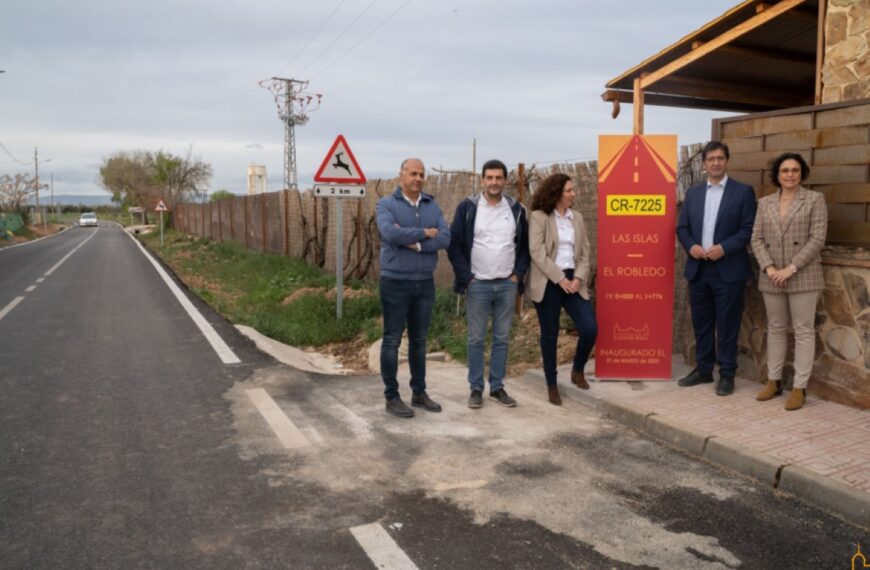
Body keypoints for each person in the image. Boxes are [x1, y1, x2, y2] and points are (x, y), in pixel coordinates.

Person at [448, 159, 530, 409]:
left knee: (502, 338)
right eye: (490, 178)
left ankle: (497, 387)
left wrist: (517, 275)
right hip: (478, 284)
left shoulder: (516, 209)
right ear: (483, 180)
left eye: (498, 178)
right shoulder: (468, 208)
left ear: (505, 180)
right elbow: (454, 245)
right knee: (475, 339)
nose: (494, 182)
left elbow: (525, 246)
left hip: (507, 284)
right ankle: (476, 388)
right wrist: (467, 277)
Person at [676, 141, 757, 396]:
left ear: (727, 161)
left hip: (728, 269)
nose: (715, 163)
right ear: (704, 164)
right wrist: (691, 246)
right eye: (711, 159)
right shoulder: (693, 193)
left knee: (728, 325)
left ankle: (727, 374)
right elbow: (682, 228)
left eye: (720, 158)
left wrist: (724, 247)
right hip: (699, 269)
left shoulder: (743, 192)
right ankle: (703, 370)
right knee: (701, 323)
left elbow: (748, 229)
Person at [751, 153, 827, 411]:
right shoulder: (765, 203)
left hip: (803, 274)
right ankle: (773, 381)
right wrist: (770, 267)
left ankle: (799, 387)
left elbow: (817, 239)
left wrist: (790, 268)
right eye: (785, 170)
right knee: (775, 328)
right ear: (778, 174)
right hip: (772, 275)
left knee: (803, 330)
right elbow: (756, 239)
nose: (790, 174)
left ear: (802, 173)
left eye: (795, 170)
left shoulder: (815, 199)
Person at [376, 158, 450, 418]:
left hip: (424, 283)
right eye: (413, 173)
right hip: (395, 282)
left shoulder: (431, 205)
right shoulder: (387, 204)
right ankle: (392, 397)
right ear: (402, 175)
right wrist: (425, 233)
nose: (418, 178)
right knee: (392, 340)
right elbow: (390, 233)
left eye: (421, 174)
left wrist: (415, 243)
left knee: (419, 341)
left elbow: (445, 237)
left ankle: (419, 393)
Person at [526, 173, 597, 406]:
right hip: (549, 280)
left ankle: (577, 370)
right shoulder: (539, 217)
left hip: (573, 280)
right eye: (569, 190)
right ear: (556, 193)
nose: (573, 194)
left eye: (572, 190)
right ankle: (551, 384)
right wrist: (559, 279)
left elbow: (585, 252)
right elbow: (537, 252)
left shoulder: (577, 218)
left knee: (590, 329)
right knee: (550, 334)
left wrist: (578, 278)